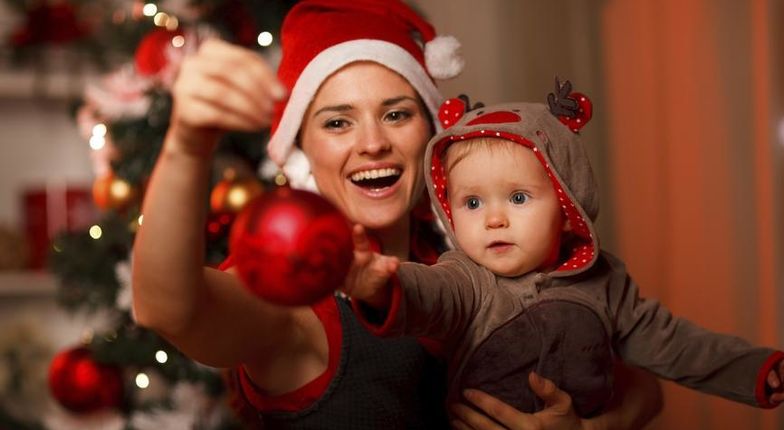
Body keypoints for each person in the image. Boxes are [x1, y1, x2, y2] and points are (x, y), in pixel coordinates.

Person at [131, 0, 663, 428]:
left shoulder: (484, 252)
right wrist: (186, 146)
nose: (373, 143)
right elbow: (168, 309)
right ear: (301, 148)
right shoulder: (294, 304)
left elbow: (642, 387)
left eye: (396, 114)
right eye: (338, 123)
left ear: (432, 134)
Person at [345, 81, 784, 419]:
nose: (494, 219)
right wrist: (381, 285)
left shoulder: (606, 282)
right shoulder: (466, 278)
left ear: (567, 207)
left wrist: (752, 369)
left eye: (519, 198)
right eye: (472, 202)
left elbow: (673, 344)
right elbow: (427, 294)